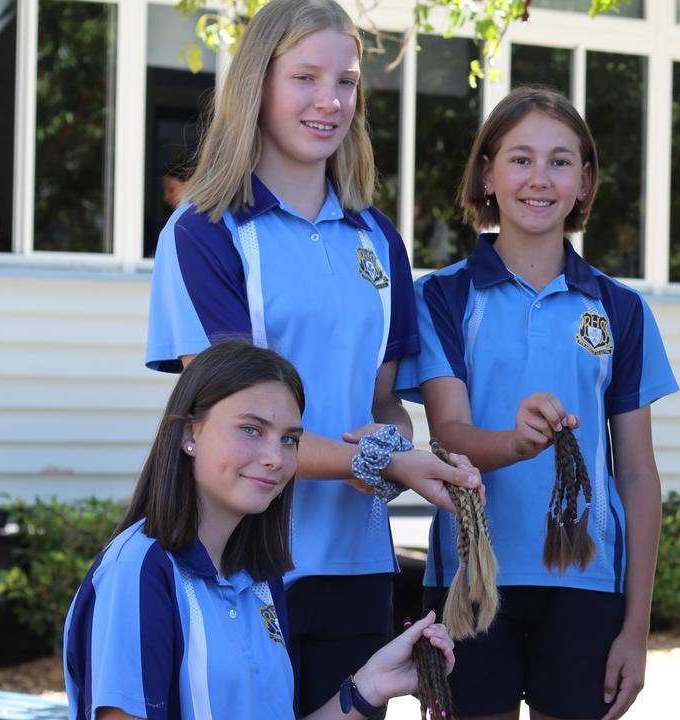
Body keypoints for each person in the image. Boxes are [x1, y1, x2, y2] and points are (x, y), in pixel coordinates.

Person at [143, 0, 480, 714]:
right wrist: (385, 463)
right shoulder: (203, 232)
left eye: (347, 82)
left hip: (357, 564)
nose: (330, 102)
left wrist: (395, 444)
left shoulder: (378, 236)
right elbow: (237, 415)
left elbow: (383, 399)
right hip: (241, 558)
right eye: (305, 78)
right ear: (257, 84)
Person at [398, 85, 678, 720]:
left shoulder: (621, 309)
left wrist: (637, 625)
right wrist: (514, 444)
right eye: (520, 159)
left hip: (585, 581)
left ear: (584, 181)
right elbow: (448, 433)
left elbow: (636, 471)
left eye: (560, 161)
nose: (539, 178)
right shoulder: (441, 296)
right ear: (487, 174)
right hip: (471, 580)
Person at [63, 341, 455, 720]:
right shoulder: (138, 572)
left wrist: (371, 685)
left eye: (289, 439)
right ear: (188, 435)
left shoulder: (260, 579)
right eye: (251, 430)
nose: (275, 458)